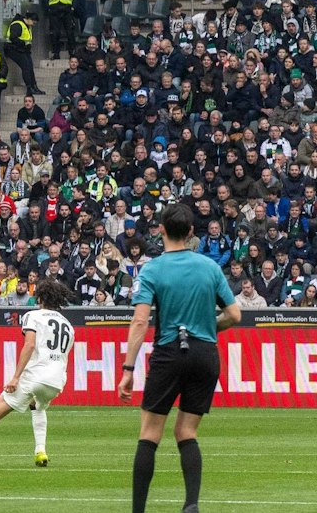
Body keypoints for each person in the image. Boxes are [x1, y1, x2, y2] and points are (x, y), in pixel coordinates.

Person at [118, 204, 242, 513]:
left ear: (160, 229)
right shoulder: (209, 267)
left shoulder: (153, 269)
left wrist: (128, 368)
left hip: (170, 351)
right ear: (190, 233)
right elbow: (235, 314)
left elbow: (140, 321)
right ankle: (191, 504)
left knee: (150, 433)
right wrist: (207, 326)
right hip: (204, 352)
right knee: (186, 431)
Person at [0, 278, 75, 470]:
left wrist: (16, 377)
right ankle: (40, 451)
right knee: (38, 406)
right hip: (57, 380)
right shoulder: (68, 325)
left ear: (40, 297)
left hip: (36, 376)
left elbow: (30, 344)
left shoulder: (33, 316)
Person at [1, 14, 41, 97]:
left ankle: (34, 86)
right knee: (26, 66)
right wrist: (23, 44)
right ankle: (29, 87)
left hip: (22, 50)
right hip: (13, 49)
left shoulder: (27, 26)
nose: (34, 24)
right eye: (33, 22)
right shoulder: (18, 24)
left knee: (29, 66)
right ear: (29, 19)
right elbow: (13, 38)